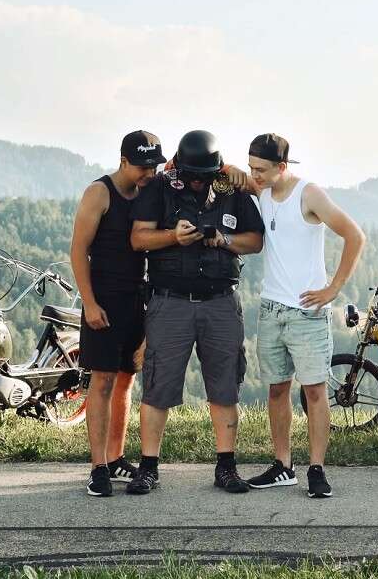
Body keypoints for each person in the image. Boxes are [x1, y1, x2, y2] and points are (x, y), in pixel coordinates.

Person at [127, 129, 265, 495]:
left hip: (221, 300)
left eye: (203, 175)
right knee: (157, 386)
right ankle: (148, 467)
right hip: (169, 300)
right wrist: (173, 237)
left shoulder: (231, 188)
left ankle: (226, 466)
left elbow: (255, 240)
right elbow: (139, 238)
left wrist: (225, 240)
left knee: (225, 386)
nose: (196, 181)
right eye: (190, 175)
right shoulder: (159, 187)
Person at [240, 134, 365, 498]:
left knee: (314, 391)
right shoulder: (262, 188)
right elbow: (237, 178)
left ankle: (316, 469)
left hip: (307, 313)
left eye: (261, 169)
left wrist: (333, 289)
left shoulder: (309, 194)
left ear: (283, 167)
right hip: (271, 309)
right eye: (251, 168)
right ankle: (282, 466)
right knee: (277, 389)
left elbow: (354, 236)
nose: (255, 176)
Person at [70, 130, 166, 497]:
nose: (148, 172)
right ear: (123, 160)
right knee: (103, 380)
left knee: (126, 379)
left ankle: (115, 458)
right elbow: (79, 250)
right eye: (142, 166)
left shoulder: (150, 189)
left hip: (137, 298)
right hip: (104, 298)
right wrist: (90, 303)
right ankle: (97, 468)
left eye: (153, 165)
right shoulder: (99, 192)